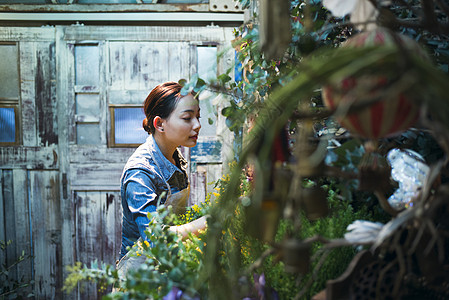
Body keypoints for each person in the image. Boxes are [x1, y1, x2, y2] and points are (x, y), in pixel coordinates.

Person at [118, 81, 207, 265]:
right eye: (187, 118)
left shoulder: (174, 153)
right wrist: (208, 222)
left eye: (198, 117)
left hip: (168, 264)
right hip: (141, 276)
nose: (197, 125)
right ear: (159, 124)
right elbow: (155, 240)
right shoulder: (140, 173)